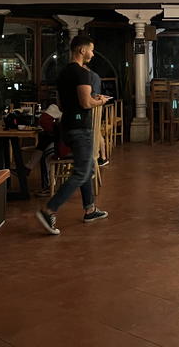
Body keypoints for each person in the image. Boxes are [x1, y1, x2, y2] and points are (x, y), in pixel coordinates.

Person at [36, 35, 110, 235]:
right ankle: (49, 209)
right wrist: (100, 101)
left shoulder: (63, 73)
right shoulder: (82, 73)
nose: (92, 54)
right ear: (81, 50)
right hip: (80, 128)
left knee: (85, 166)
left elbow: (62, 104)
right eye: (91, 49)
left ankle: (90, 209)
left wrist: (88, 99)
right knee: (82, 172)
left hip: (67, 127)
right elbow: (86, 103)